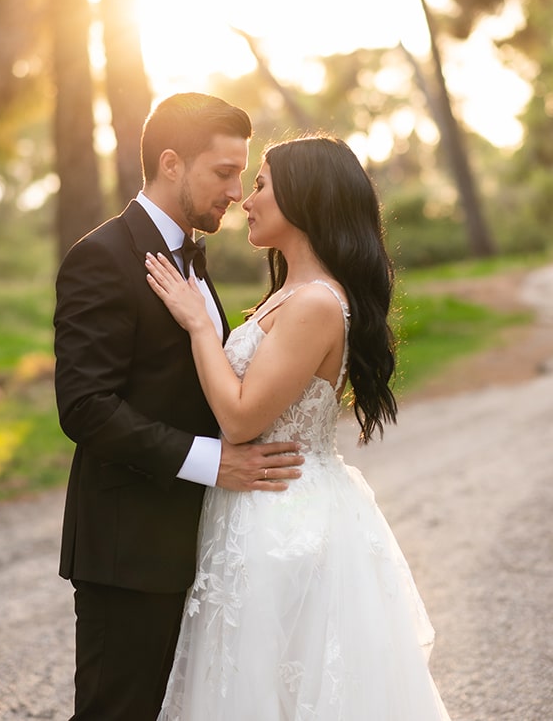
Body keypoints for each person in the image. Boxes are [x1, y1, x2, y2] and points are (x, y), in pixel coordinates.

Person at [145, 134, 452, 720]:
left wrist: (199, 327)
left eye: (260, 185)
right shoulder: (287, 295)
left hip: (286, 519)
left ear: (304, 198)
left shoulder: (314, 303)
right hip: (253, 506)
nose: (245, 199)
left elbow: (239, 418)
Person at [53, 92, 305, 721]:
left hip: (197, 543)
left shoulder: (191, 255)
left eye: (242, 175)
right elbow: (85, 406)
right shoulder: (101, 257)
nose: (235, 191)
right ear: (172, 163)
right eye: (223, 173)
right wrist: (211, 461)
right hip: (128, 546)